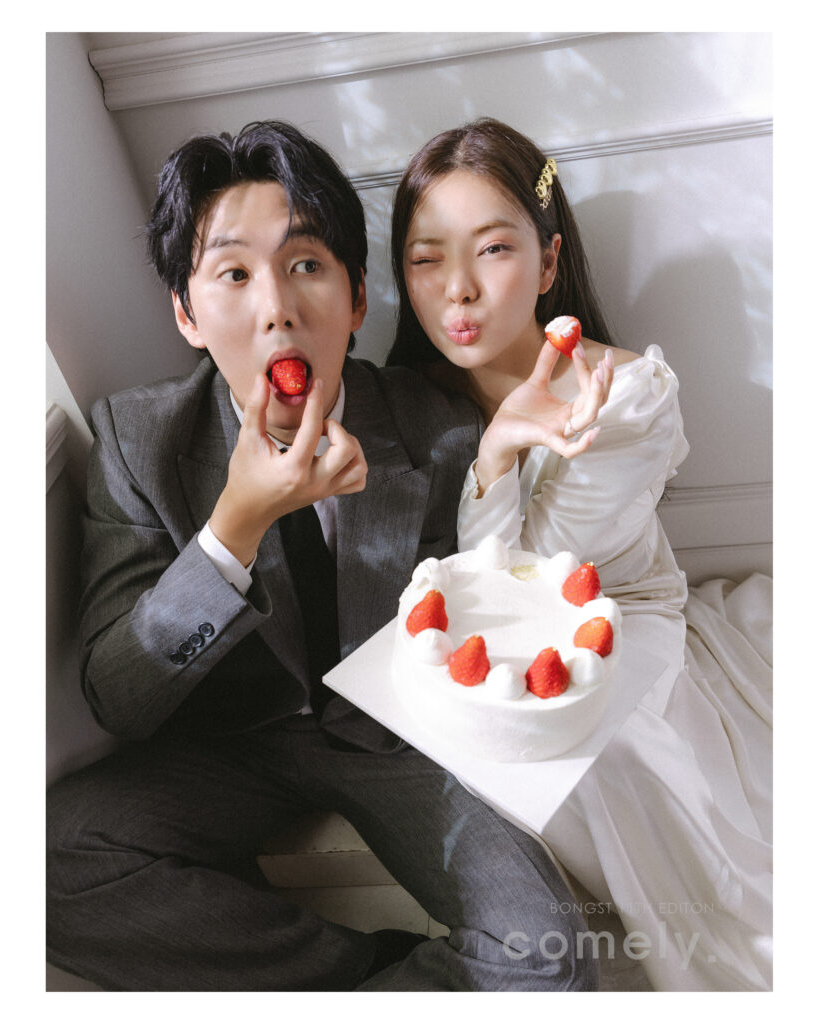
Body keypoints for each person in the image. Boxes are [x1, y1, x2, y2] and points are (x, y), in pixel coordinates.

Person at [46, 120, 598, 992]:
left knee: (549, 959)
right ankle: (360, 981)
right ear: (187, 314)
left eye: (305, 264)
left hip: (400, 742)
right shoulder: (137, 440)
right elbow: (119, 699)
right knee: (46, 864)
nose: (276, 308)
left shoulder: (439, 426)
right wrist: (231, 530)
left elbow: (500, 609)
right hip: (230, 745)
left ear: (357, 297)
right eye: (233, 274)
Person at [387, 117, 773, 991]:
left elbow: (532, 584)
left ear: (548, 262)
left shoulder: (627, 396)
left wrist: (497, 454)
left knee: (600, 750)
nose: (458, 290)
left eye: (492, 249)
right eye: (425, 258)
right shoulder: (403, 402)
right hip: (480, 651)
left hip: (619, 617)